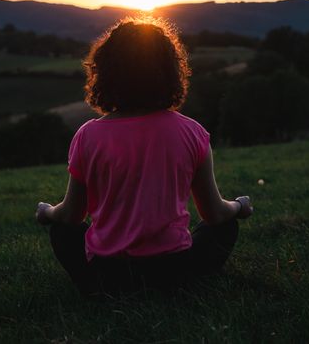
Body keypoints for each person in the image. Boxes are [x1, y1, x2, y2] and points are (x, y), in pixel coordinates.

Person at [36, 17, 252, 295]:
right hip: (174, 275)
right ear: (170, 72)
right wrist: (239, 206)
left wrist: (47, 212)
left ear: (105, 72)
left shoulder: (88, 136)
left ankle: (95, 287)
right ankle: (186, 282)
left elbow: (71, 215)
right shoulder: (192, 132)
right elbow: (214, 213)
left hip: (106, 277)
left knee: (61, 231)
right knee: (224, 227)